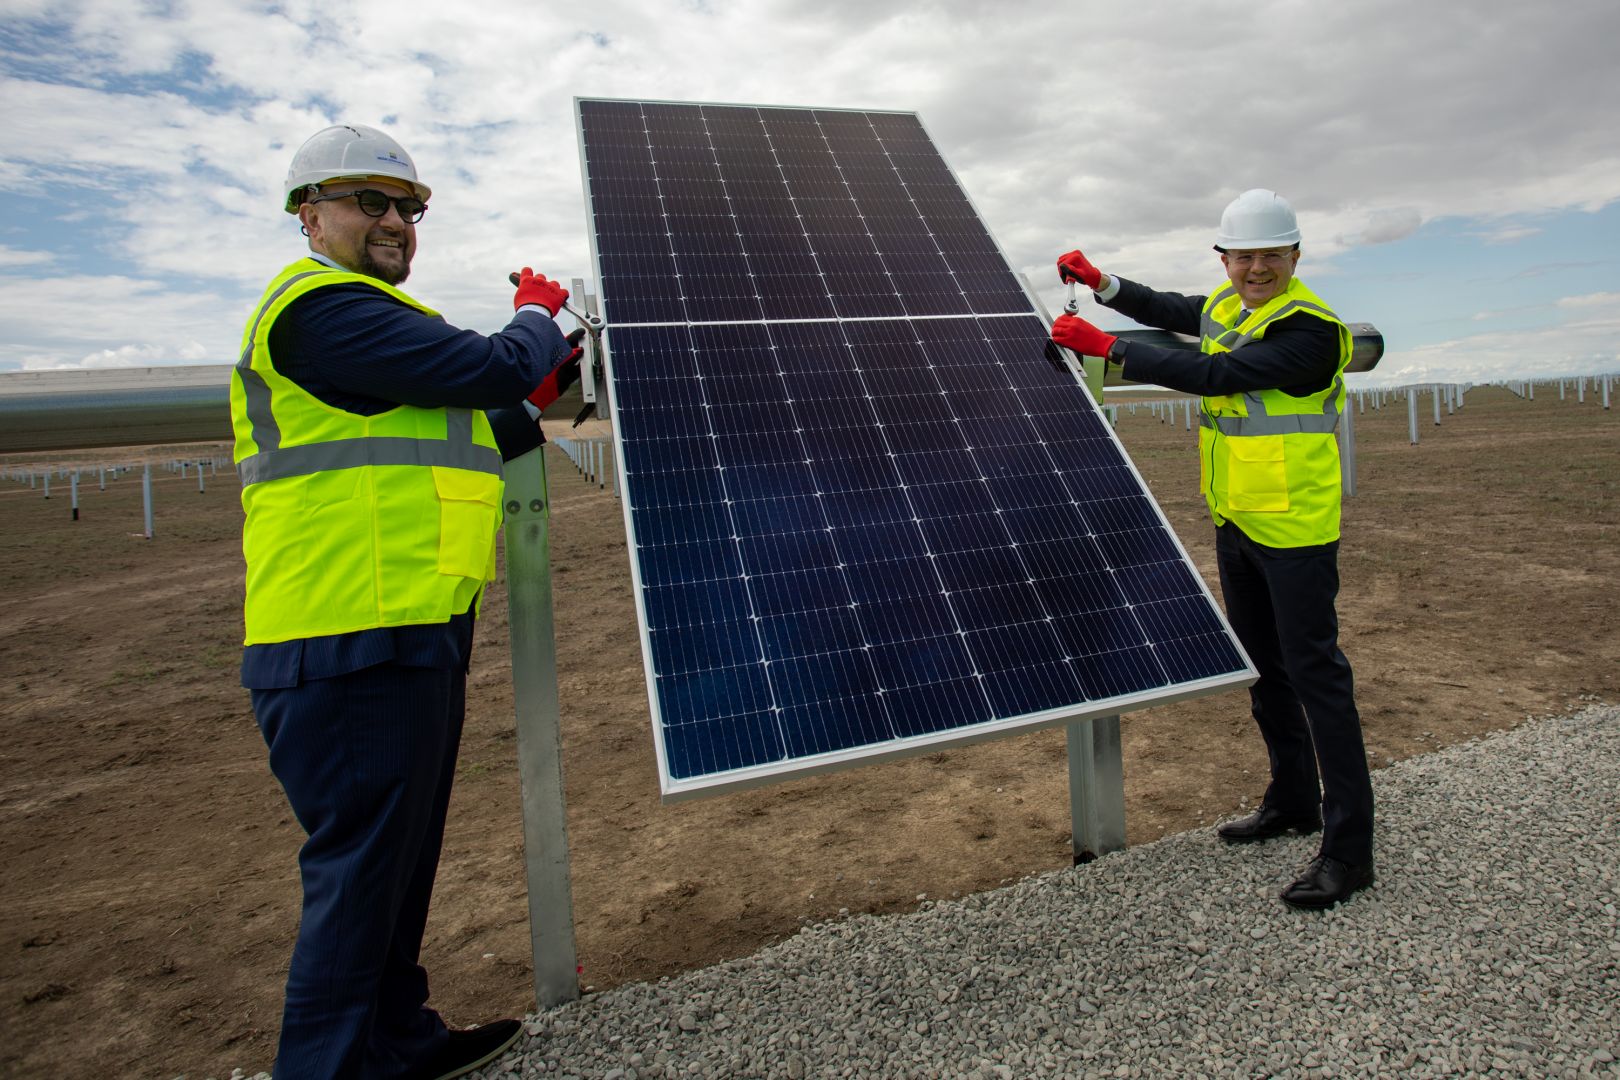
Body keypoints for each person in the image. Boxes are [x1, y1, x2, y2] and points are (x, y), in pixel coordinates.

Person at [231, 122, 580, 1078]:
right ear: (310, 214)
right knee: (360, 873)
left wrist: (548, 371)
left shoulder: (393, 337)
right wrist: (537, 317)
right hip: (343, 633)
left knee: (394, 866)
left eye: (409, 207)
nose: (395, 220)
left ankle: (397, 1041)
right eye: (369, 201)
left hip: (406, 627)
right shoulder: (320, 309)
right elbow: (500, 367)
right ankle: (334, 1064)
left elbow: (503, 413)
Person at [1048, 189, 1375, 910]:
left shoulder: (1311, 330)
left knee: (1319, 680)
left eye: (1269, 256)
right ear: (1225, 258)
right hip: (1238, 521)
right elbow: (1176, 310)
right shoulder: (1231, 305)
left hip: (1295, 531)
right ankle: (1293, 799)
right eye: (1242, 256)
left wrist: (1110, 351)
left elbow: (1221, 374)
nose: (1255, 269)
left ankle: (1350, 852)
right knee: (1267, 674)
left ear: (1295, 255)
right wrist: (1104, 286)